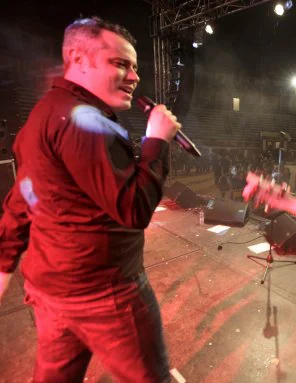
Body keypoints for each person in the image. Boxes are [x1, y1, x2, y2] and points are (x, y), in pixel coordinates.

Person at [0, 17, 181, 382]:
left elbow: (24, 194)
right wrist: (156, 141)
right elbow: (134, 208)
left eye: (135, 67)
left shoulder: (43, 113)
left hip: (51, 289)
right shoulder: (88, 121)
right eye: (120, 64)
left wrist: (4, 262)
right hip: (105, 294)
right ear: (78, 60)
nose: (134, 77)